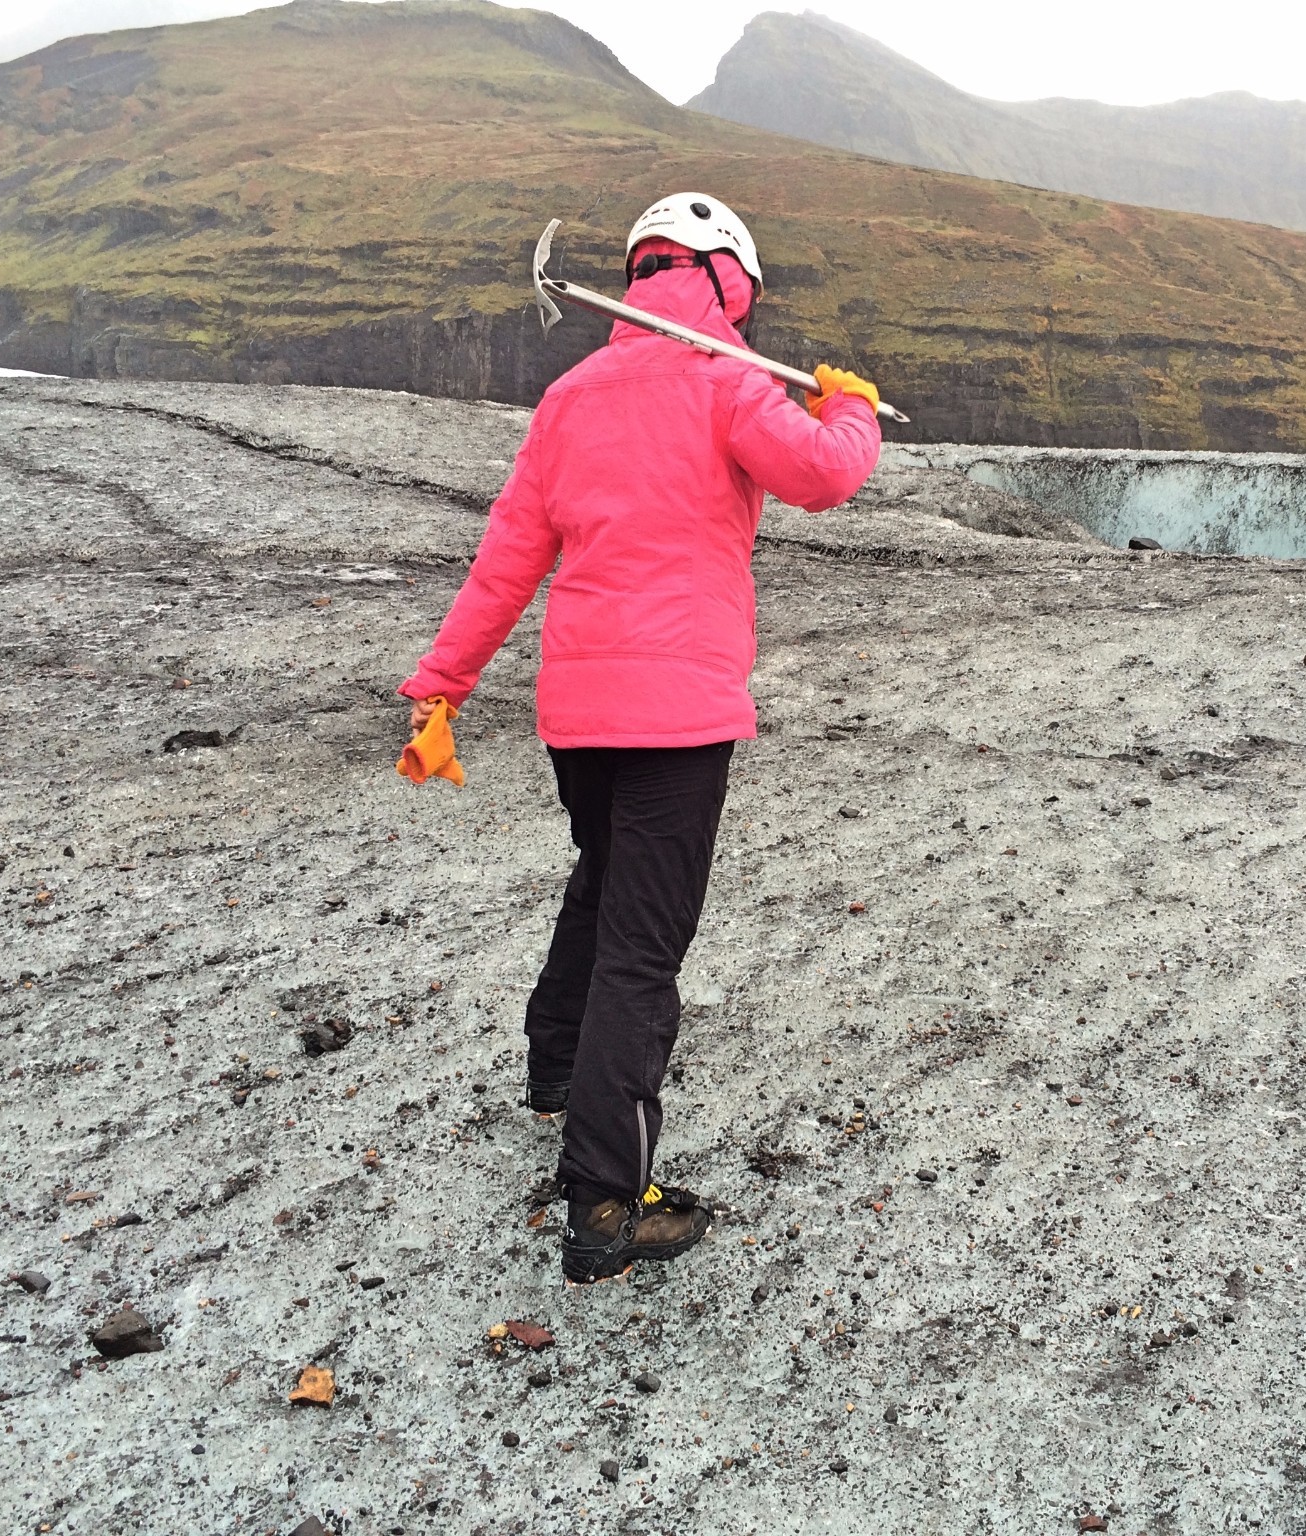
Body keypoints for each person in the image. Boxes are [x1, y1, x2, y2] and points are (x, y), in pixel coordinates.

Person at [399, 193, 883, 1284]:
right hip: (677, 720)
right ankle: (608, 1202)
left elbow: (507, 558)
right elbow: (823, 476)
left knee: (602, 874)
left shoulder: (569, 397)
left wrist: (443, 685)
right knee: (642, 950)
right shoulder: (727, 379)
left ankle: (557, 1069)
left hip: (578, 717)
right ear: (727, 282)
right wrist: (848, 409)